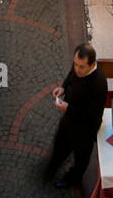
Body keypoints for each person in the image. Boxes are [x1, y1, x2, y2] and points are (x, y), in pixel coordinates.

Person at [44, 43, 108, 189]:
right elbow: (71, 75)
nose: (77, 69)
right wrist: (63, 87)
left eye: (81, 66)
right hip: (68, 121)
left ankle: (72, 179)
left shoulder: (99, 84)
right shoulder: (77, 69)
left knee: (81, 159)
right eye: (75, 64)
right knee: (60, 145)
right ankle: (52, 168)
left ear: (92, 65)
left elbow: (91, 116)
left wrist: (68, 108)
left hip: (84, 130)